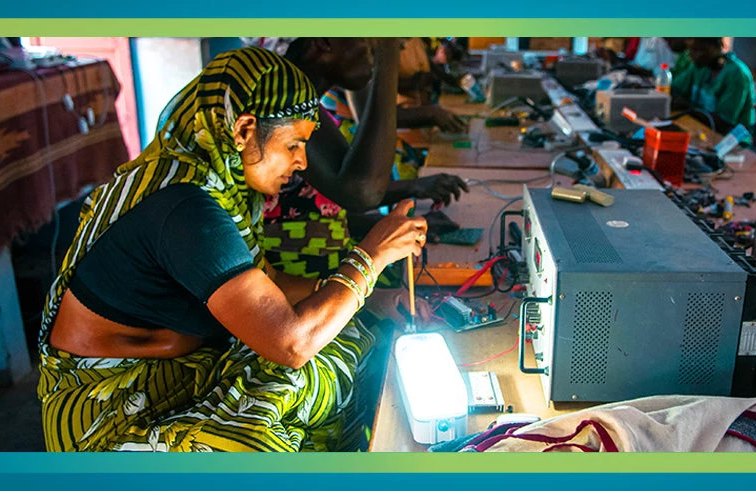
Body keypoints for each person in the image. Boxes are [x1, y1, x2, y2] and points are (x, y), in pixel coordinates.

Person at [37, 47, 428, 452]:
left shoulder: (219, 185)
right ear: (243, 130)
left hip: (179, 381)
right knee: (278, 410)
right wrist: (372, 256)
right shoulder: (185, 208)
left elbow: (268, 288)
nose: (301, 162)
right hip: (115, 417)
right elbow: (290, 343)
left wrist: (376, 298)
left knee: (350, 339)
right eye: (294, 144)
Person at [248, 37, 467, 279]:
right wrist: (388, 52)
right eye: (374, 42)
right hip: (290, 290)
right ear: (323, 42)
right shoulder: (281, 99)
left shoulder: (307, 103)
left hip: (323, 275)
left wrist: (386, 227)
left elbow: (326, 206)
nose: (397, 47)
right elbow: (361, 193)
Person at [671, 37, 756, 132]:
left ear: (717, 47)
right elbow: (675, 89)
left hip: (730, 139)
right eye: (691, 50)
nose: (692, 55)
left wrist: (688, 107)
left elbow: (724, 122)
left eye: (699, 50)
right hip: (701, 129)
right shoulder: (700, 66)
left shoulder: (736, 74)